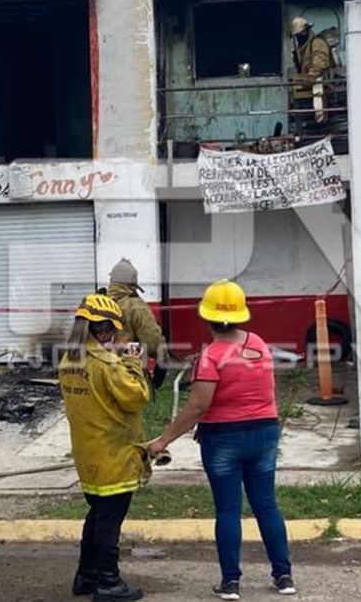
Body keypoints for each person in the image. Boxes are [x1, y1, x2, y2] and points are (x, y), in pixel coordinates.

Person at [147, 279, 296, 599]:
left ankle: (231, 582)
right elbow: (249, 378)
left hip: (224, 439)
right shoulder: (258, 343)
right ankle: (284, 577)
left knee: (228, 510)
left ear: (207, 317)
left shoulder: (211, 356)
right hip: (265, 433)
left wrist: (163, 441)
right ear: (241, 314)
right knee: (266, 506)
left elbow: (198, 406)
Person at [59, 293, 151, 601]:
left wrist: (114, 355)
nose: (114, 336)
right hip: (115, 455)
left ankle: (86, 576)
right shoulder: (108, 364)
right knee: (109, 522)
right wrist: (133, 362)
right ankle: (108, 582)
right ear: (100, 329)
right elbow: (137, 397)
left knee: (97, 516)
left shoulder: (69, 359)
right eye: (110, 330)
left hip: (88, 454)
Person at [106, 258, 169, 389]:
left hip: (99, 372)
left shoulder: (99, 303)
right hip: (128, 375)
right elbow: (153, 344)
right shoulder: (136, 306)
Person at [289, 16, 335, 131]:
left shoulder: (317, 42)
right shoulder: (301, 49)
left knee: (320, 114)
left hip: (322, 85)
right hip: (309, 87)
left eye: (301, 34)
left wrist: (309, 78)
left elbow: (319, 63)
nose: (300, 37)